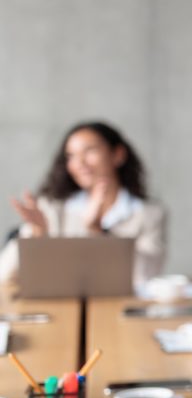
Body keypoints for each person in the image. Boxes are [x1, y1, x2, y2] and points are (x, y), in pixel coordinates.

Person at [0, 121, 165, 285]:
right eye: (71, 156)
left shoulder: (148, 213)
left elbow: (145, 275)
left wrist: (98, 232)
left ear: (118, 155)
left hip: (118, 308)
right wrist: (37, 235)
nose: (79, 163)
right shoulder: (52, 209)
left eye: (90, 151)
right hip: (60, 310)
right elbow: (4, 274)